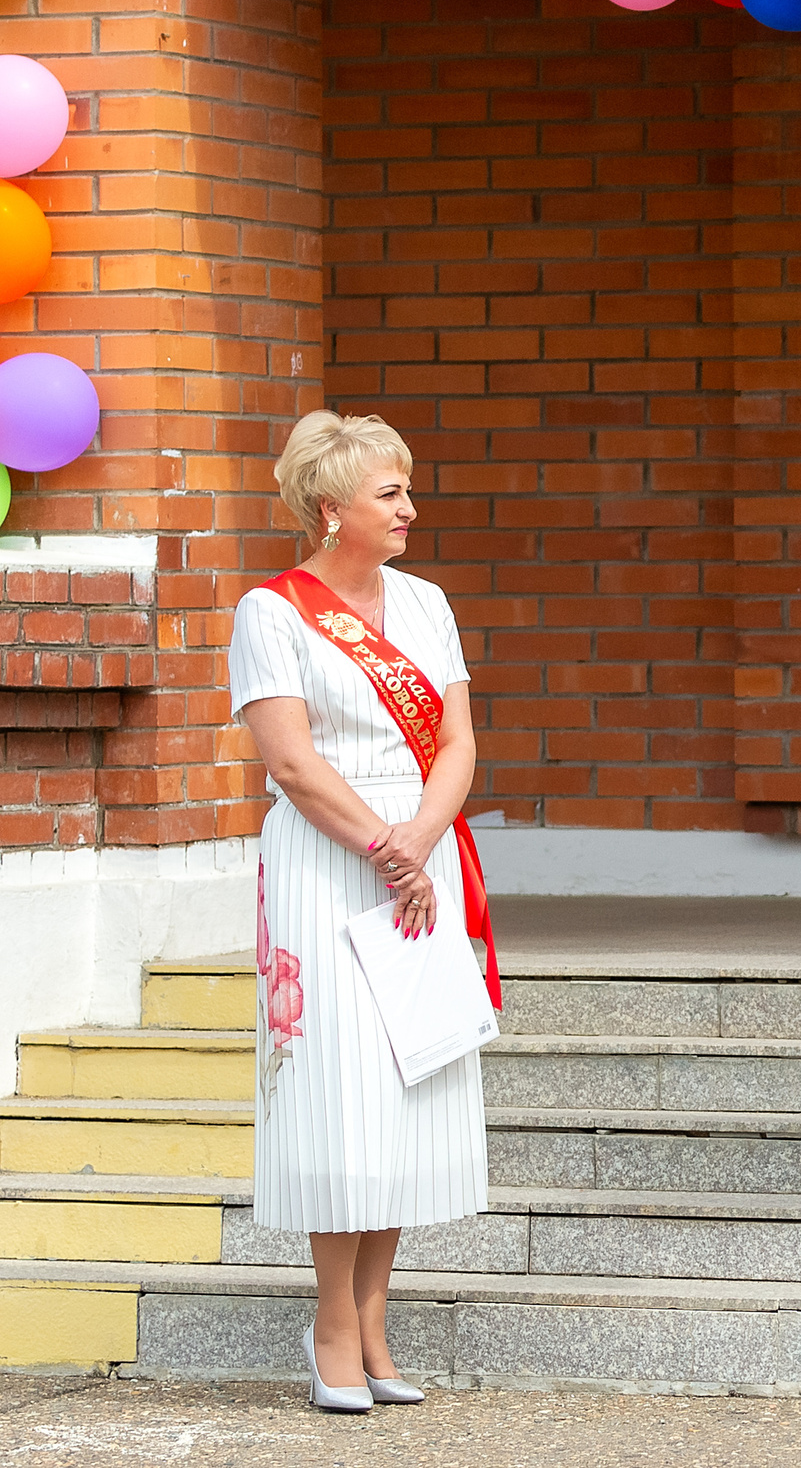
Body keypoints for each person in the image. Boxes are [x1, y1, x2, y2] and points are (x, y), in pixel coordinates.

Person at [228, 410, 496, 1413]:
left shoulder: (426, 604)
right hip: (326, 866)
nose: (409, 509)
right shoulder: (273, 611)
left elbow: (459, 743)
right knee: (337, 1091)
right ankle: (331, 1324)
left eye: (407, 491)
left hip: (418, 855)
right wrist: (387, 851)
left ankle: (377, 1317)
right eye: (390, 494)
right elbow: (292, 762)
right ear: (331, 509)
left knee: (402, 1083)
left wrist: (420, 842)